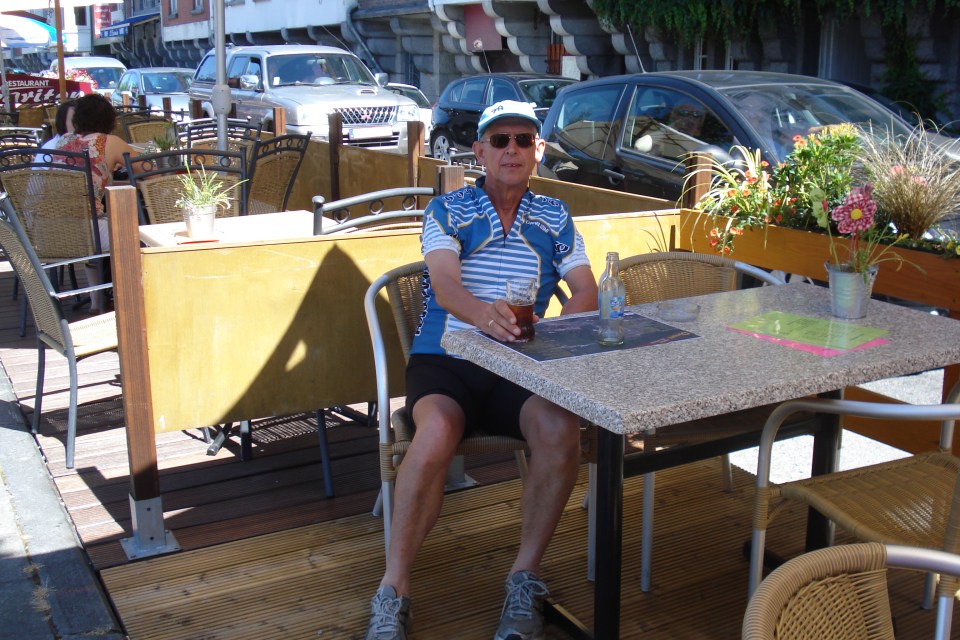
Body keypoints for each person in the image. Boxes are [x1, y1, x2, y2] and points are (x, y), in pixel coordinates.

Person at [363, 100, 598, 640]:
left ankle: (524, 576)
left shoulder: (554, 215)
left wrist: (554, 329)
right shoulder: (449, 209)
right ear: (479, 152)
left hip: (522, 365)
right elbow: (444, 284)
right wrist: (482, 316)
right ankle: (393, 589)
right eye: (500, 140)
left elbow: (585, 289)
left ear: (538, 150)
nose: (512, 150)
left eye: (523, 140)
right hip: (448, 358)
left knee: (560, 429)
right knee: (435, 433)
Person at [53, 93, 147, 311]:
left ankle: (98, 301)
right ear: (109, 119)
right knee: (139, 235)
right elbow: (146, 168)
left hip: (53, 230)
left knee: (102, 222)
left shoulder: (62, 141)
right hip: (89, 231)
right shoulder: (108, 142)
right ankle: (131, 299)